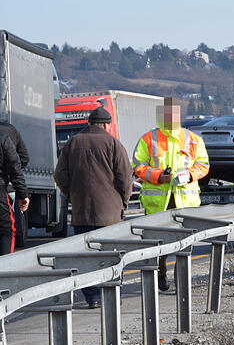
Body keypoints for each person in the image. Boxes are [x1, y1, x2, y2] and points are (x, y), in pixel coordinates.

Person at [54, 107, 133, 309]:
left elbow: (60, 174)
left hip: (82, 212)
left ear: (89, 123)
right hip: (111, 214)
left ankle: (92, 297)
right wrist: (123, 201)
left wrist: (72, 195)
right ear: (106, 124)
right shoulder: (114, 144)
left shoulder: (72, 143)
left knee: (86, 257)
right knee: (112, 255)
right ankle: (111, 294)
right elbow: (125, 178)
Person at [133, 97, 209, 291]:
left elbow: (203, 165)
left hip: (185, 200)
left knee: (184, 244)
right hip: (159, 202)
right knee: (160, 244)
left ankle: (181, 280)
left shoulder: (193, 139)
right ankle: (161, 274)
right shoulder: (148, 139)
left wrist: (189, 175)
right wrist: (159, 176)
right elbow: (138, 166)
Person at [0, 132, 28, 255]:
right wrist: (22, 194)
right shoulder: (3, 137)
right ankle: (5, 270)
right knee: (6, 230)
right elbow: (14, 166)